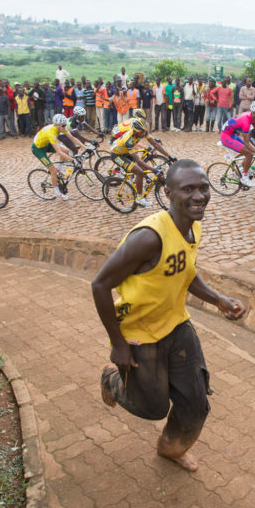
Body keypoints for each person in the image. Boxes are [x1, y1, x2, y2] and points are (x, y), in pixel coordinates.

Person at [92, 159, 245, 472]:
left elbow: (185, 272)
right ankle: (112, 380)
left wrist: (219, 299)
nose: (198, 196)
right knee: (153, 408)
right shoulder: (149, 237)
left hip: (177, 327)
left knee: (196, 403)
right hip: (140, 334)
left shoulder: (192, 227)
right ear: (168, 193)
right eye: (188, 189)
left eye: (203, 188)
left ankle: (171, 449)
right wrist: (118, 344)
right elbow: (100, 284)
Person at [32, 114, 82, 201]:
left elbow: (73, 138)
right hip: (38, 149)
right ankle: (58, 193)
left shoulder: (61, 127)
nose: (65, 127)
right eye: (63, 126)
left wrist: (85, 147)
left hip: (46, 143)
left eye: (65, 125)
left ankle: (59, 168)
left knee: (67, 151)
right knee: (53, 171)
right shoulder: (51, 132)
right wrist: (73, 160)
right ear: (57, 125)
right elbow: (59, 152)